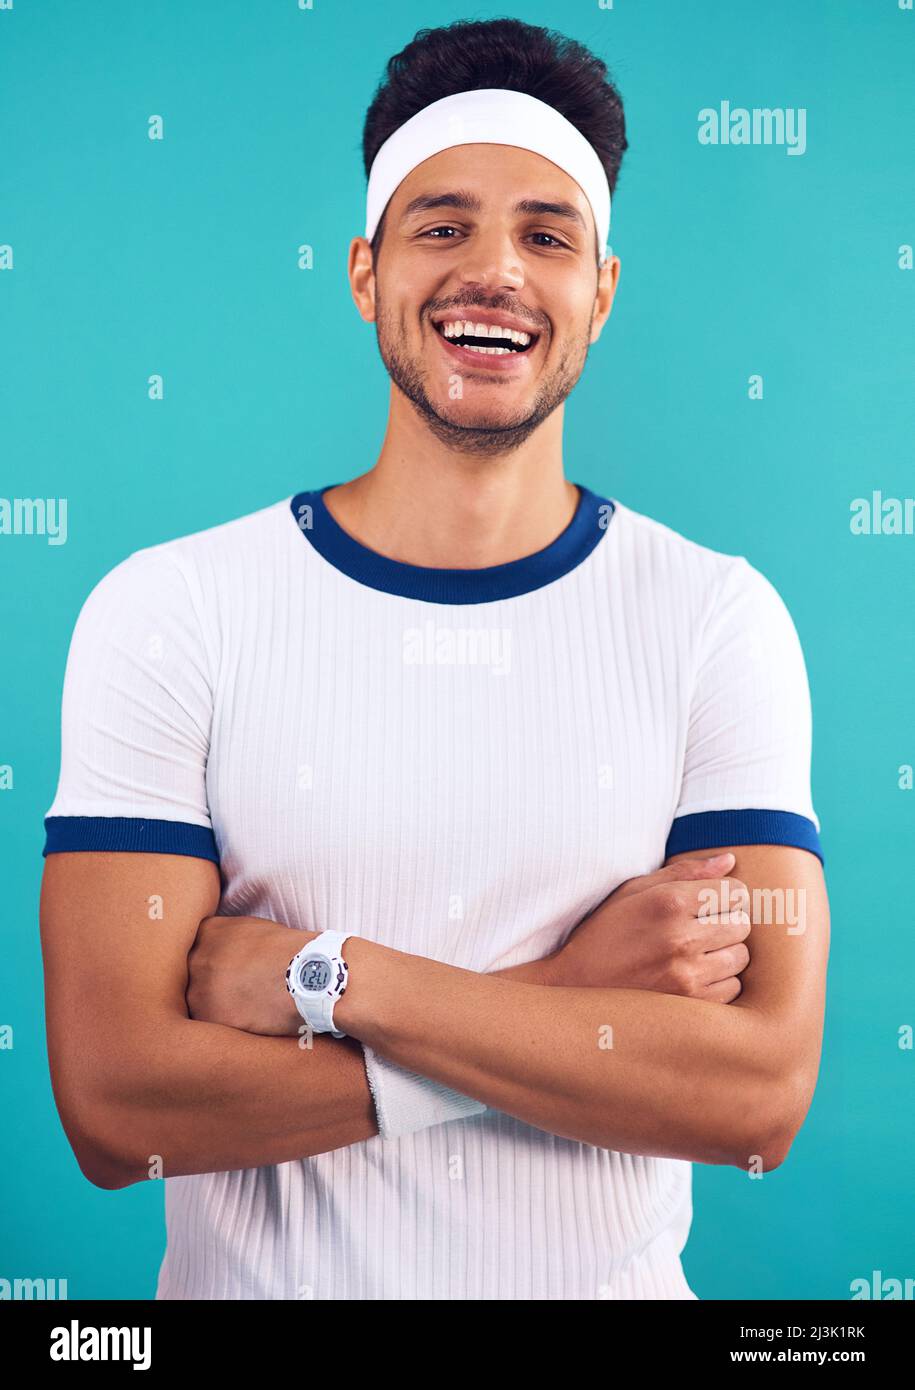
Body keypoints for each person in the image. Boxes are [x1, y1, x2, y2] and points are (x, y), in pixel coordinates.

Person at [39, 17, 829, 1301]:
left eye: (547, 234)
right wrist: (568, 995)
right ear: (365, 272)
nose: (495, 271)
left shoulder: (715, 620)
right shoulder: (173, 610)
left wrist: (337, 979)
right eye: (443, 225)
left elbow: (753, 1097)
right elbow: (122, 1112)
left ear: (602, 291)